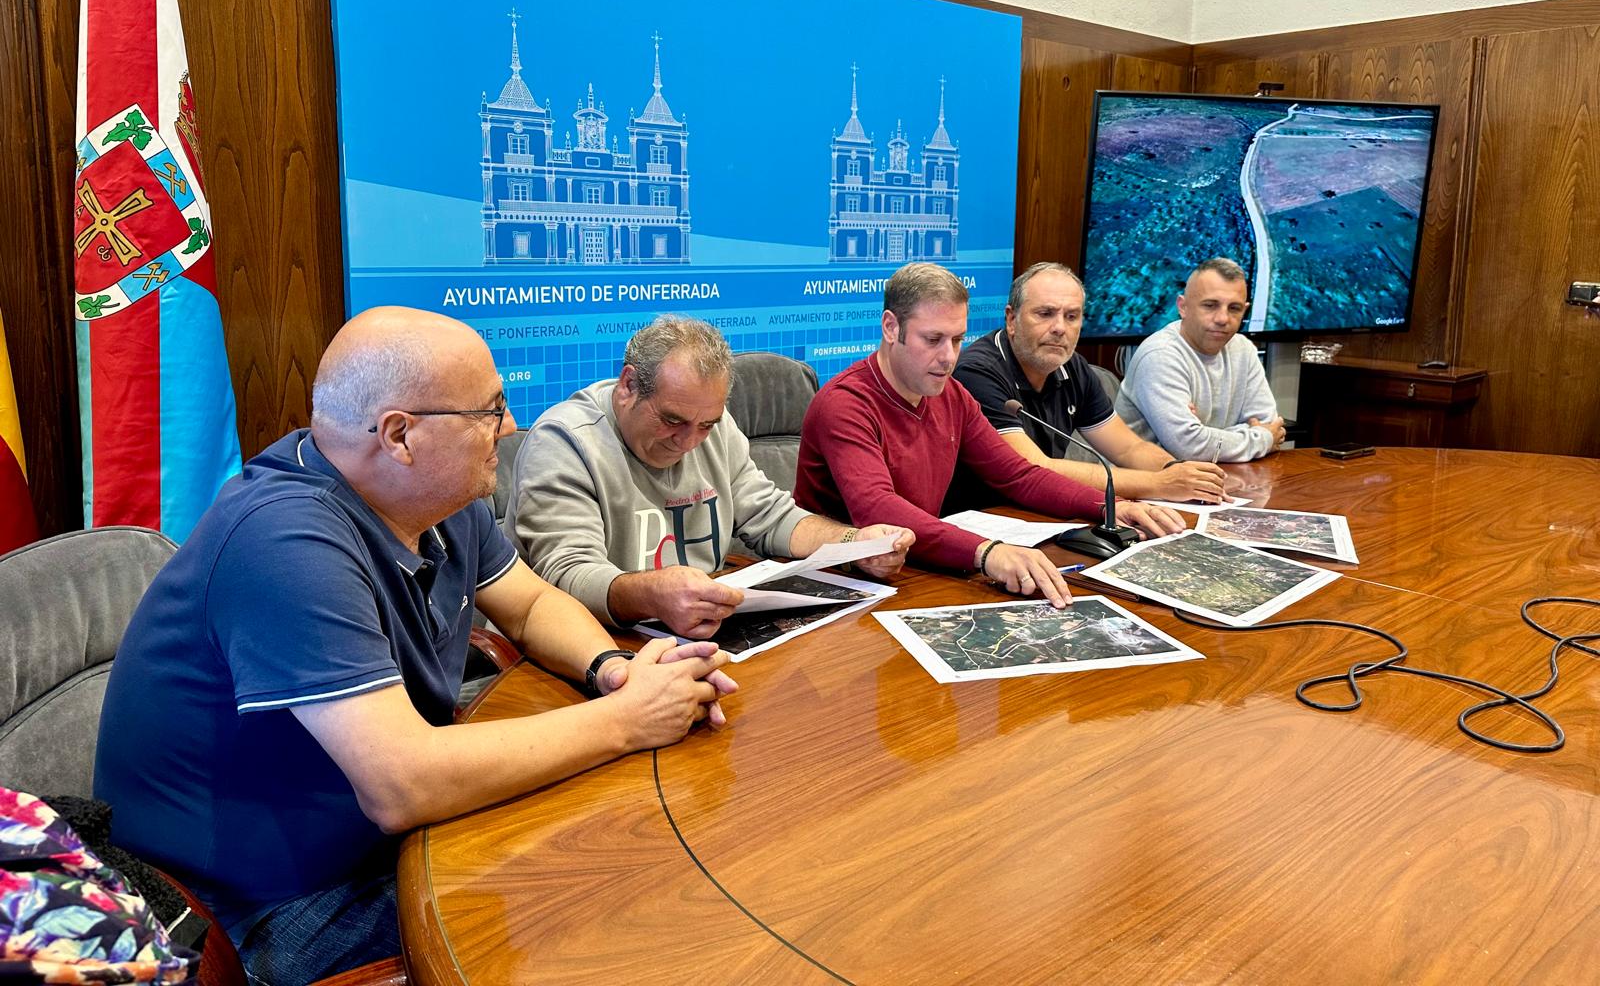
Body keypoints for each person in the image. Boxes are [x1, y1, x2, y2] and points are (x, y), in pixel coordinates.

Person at [94, 307, 737, 986]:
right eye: (490, 411)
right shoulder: (282, 540)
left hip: (372, 841)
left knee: (627, 852)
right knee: (603, 909)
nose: (510, 428)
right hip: (269, 905)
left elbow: (530, 602)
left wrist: (614, 671)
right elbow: (403, 784)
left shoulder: (436, 492)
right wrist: (628, 721)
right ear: (400, 435)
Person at [795, 263, 1183, 602]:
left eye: (957, 339)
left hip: (907, 571)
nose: (948, 356)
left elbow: (1017, 474)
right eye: (933, 340)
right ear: (891, 327)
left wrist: (1111, 508)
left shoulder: (951, 394)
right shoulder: (845, 403)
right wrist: (987, 552)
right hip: (833, 583)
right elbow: (877, 508)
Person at [507, 315, 912, 639]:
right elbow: (567, 576)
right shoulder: (566, 443)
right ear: (628, 386)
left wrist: (854, 542)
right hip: (592, 643)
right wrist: (653, 594)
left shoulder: (714, 427)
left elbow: (770, 516)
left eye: (705, 424)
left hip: (697, 634)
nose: (688, 442)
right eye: (672, 420)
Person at [953, 262, 1228, 504]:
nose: (1060, 328)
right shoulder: (978, 372)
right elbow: (1034, 468)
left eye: (1071, 316)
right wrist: (1160, 484)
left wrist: (1178, 472)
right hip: (986, 519)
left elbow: (1128, 448)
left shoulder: (1072, 367)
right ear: (1012, 319)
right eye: (1045, 314)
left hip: (1043, 512)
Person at [1114, 257, 1285, 462]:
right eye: (1210, 306)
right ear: (1183, 307)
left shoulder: (1244, 349)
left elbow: (1268, 422)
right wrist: (1260, 439)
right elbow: (1190, 447)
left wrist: (1205, 436)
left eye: (1234, 308)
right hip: (1143, 487)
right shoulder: (1160, 355)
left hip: (1216, 479)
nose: (1222, 318)